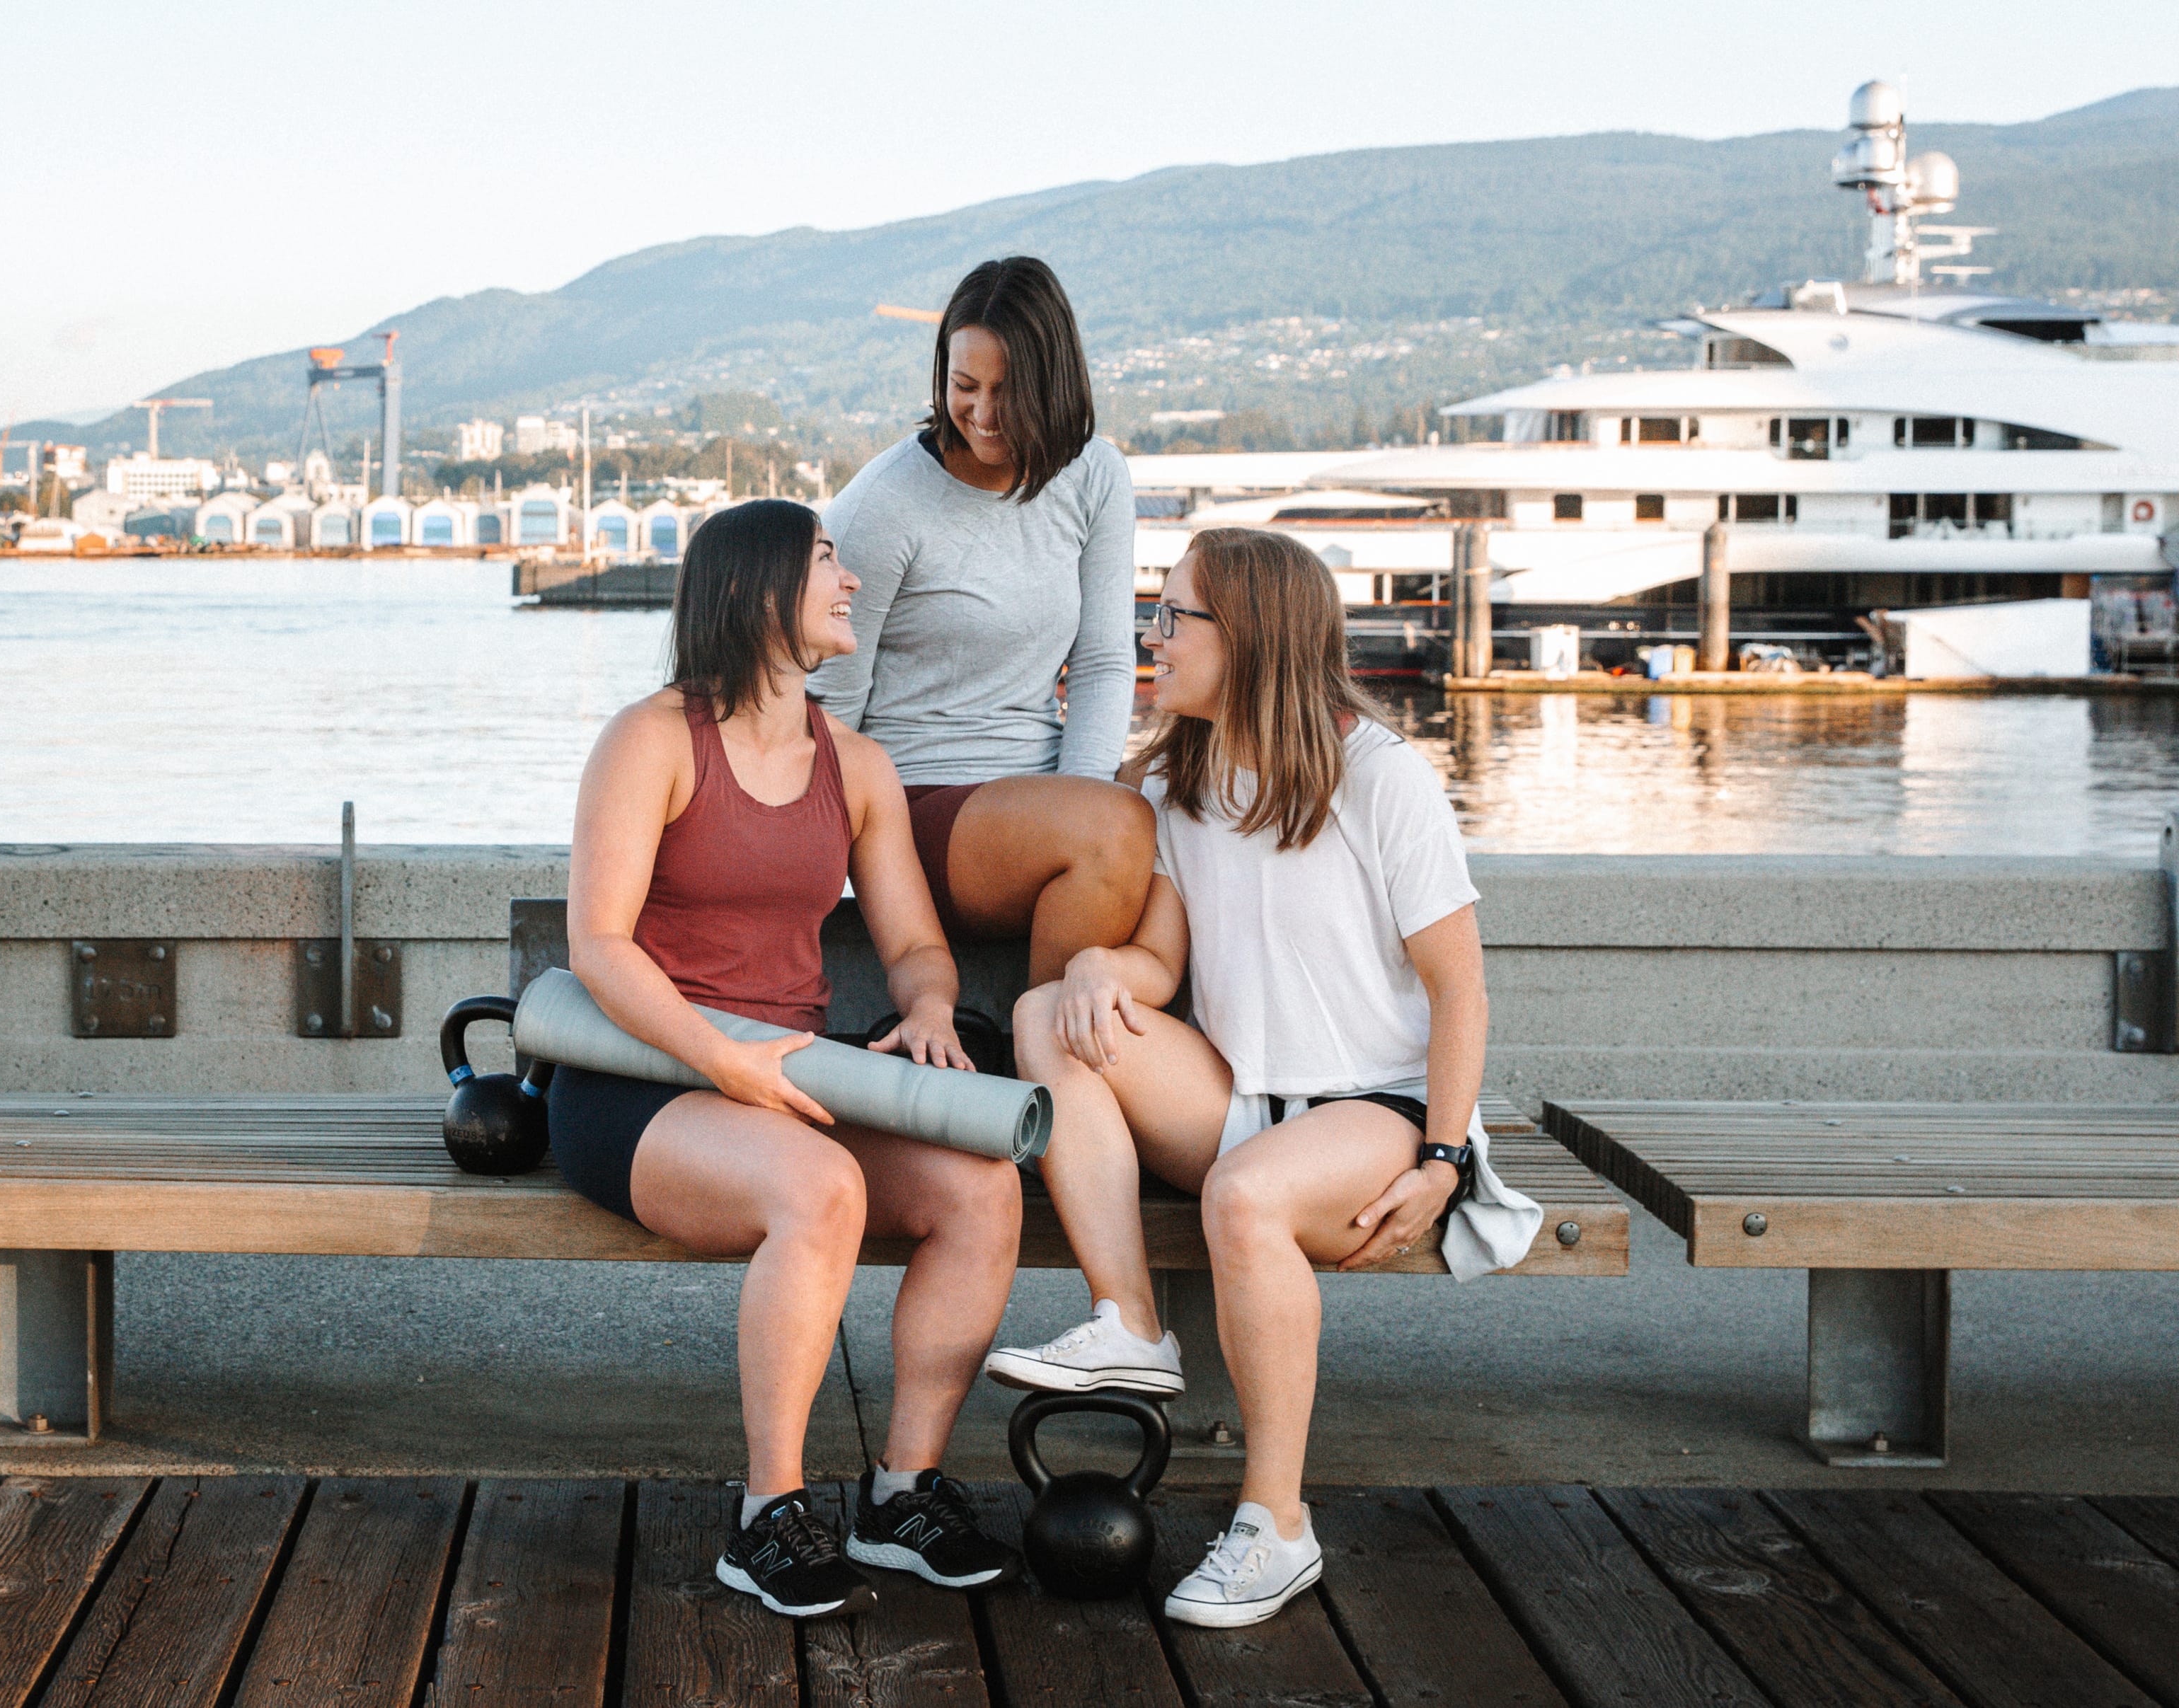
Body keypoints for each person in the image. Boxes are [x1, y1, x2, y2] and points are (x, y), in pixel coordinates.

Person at [984, 527, 1540, 1628]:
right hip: (1239, 1101)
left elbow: (1461, 991)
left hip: (1374, 1112)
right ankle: (1131, 1321)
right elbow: (1162, 962)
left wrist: (1439, 1156)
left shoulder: (1381, 778)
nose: (1153, 636)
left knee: (1247, 1196)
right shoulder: (1179, 784)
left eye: (1173, 616)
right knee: (1047, 1013)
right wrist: (1103, 964)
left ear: (1247, 636)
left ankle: (1275, 1525)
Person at [554, 498, 1026, 1620]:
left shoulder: (856, 765)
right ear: (757, 585)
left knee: (982, 1187)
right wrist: (721, 1058)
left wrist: (929, 1011)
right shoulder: (654, 738)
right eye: (825, 558)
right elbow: (599, 946)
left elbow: (914, 942)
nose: (851, 578)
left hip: (790, 1074)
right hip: (640, 1081)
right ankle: (768, 1512)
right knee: (821, 1188)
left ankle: (900, 1495)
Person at [810, 255, 1152, 988]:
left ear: (1055, 384)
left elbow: (1099, 662)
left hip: (1044, 791)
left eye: (1009, 390)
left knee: (1199, 785)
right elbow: (831, 703)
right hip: (918, 807)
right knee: (1115, 831)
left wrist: (1080, 793)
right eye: (965, 386)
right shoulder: (887, 504)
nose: (984, 412)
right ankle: (1044, 1049)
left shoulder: (1095, 475)